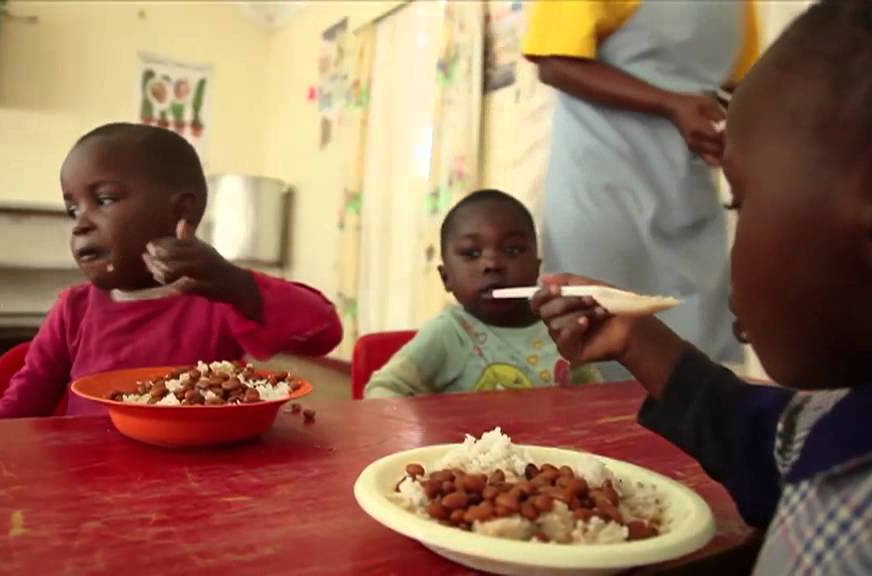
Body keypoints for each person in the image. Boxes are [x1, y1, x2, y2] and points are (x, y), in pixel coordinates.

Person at [532, 1, 872, 571]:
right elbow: (778, 446)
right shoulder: (839, 429)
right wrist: (648, 345)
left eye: (741, 200)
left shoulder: (845, 531)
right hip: (608, 183)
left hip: (678, 188)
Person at [0, 124, 342, 418]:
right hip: (89, 489)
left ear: (181, 211)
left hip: (197, 484)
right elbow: (23, 404)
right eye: (73, 210)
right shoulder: (74, 311)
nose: (80, 225)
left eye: (104, 200)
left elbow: (323, 332)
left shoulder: (215, 298)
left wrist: (237, 285)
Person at [523, 0, 761, 377]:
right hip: (603, 189)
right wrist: (670, 104)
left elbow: (743, 84)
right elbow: (554, 61)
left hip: (689, 194)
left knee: (699, 367)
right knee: (598, 346)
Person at [364, 190, 599, 398]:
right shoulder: (449, 333)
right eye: (472, 253)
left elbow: (595, 398)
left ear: (536, 268)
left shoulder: (559, 326)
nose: (493, 263)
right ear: (446, 278)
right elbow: (383, 389)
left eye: (513, 250)